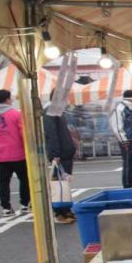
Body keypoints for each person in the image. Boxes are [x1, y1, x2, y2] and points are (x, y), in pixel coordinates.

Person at [0, 90, 29, 216]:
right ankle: (24, 204)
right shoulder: (16, 114)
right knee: (24, 179)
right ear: (7, 99)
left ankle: (6, 207)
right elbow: (23, 133)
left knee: (3, 182)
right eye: (10, 98)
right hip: (18, 154)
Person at [43, 95, 77, 224]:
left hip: (65, 152)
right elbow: (51, 134)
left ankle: (66, 210)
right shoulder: (50, 112)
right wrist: (55, 154)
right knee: (59, 184)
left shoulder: (57, 111)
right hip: (60, 154)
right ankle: (60, 212)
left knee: (64, 183)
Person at [111, 89, 132, 187]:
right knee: (129, 163)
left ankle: (130, 182)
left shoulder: (130, 109)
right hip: (127, 141)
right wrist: (124, 141)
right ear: (131, 98)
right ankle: (127, 185)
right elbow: (117, 127)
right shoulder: (120, 108)